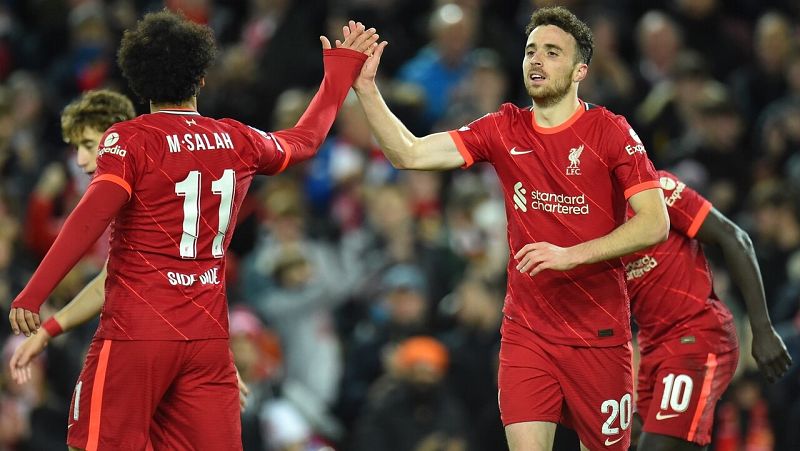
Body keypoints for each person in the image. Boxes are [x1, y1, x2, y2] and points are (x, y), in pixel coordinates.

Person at [7, 10, 379, 451]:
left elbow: (89, 219)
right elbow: (304, 141)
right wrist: (338, 73)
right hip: (207, 339)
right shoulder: (236, 139)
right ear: (201, 78)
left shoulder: (129, 140)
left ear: (138, 81)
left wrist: (34, 292)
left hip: (137, 331)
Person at [351, 5, 669, 451]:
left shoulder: (610, 132)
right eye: (531, 50)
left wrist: (569, 254)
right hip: (527, 333)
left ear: (580, 70)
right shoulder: (504, 128)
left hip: (598, 335)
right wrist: (366, 88)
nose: (537, 60)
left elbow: (656, 222)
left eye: (552, 52)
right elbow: (410, 154)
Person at [9, 90, 253, 410]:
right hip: (172, 337)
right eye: (76, 148)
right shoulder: (130, 188)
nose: (81, 159)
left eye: (88, 145)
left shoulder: (142, 189)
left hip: (143, 341)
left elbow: (119, 279)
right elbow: (111, 278)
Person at [626, 170, 791, 451]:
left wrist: (763, 329)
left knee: (657, 446)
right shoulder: (586, 225)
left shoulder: (656, 189)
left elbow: (734, 237)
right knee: (638, 438)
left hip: (697, 333)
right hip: (653, 346)